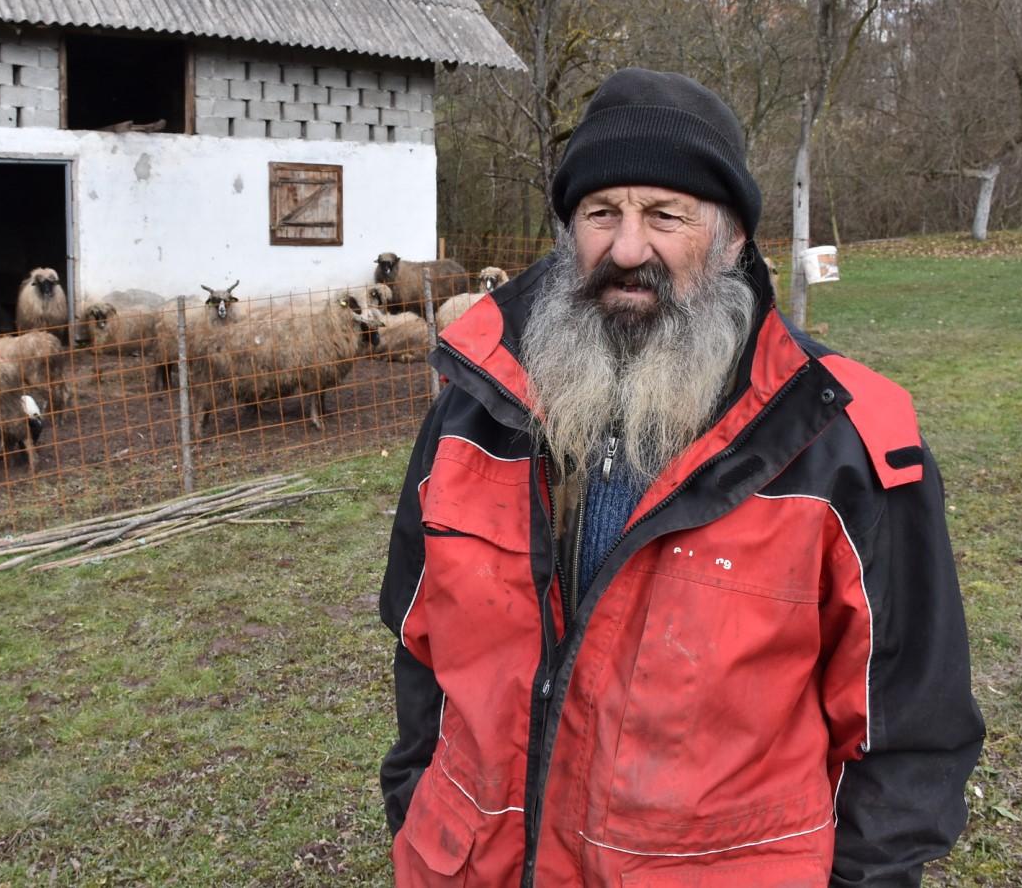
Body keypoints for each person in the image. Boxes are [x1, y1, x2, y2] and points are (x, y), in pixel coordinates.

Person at [378, 68, 983, 887]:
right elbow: (419, 650)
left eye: (666, 215)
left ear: (732, 238)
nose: (628, 250)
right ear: (569, 234)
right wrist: (417, 804)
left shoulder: (843, 441)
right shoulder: (472, 410)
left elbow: (906, 724)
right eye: (601, 214)